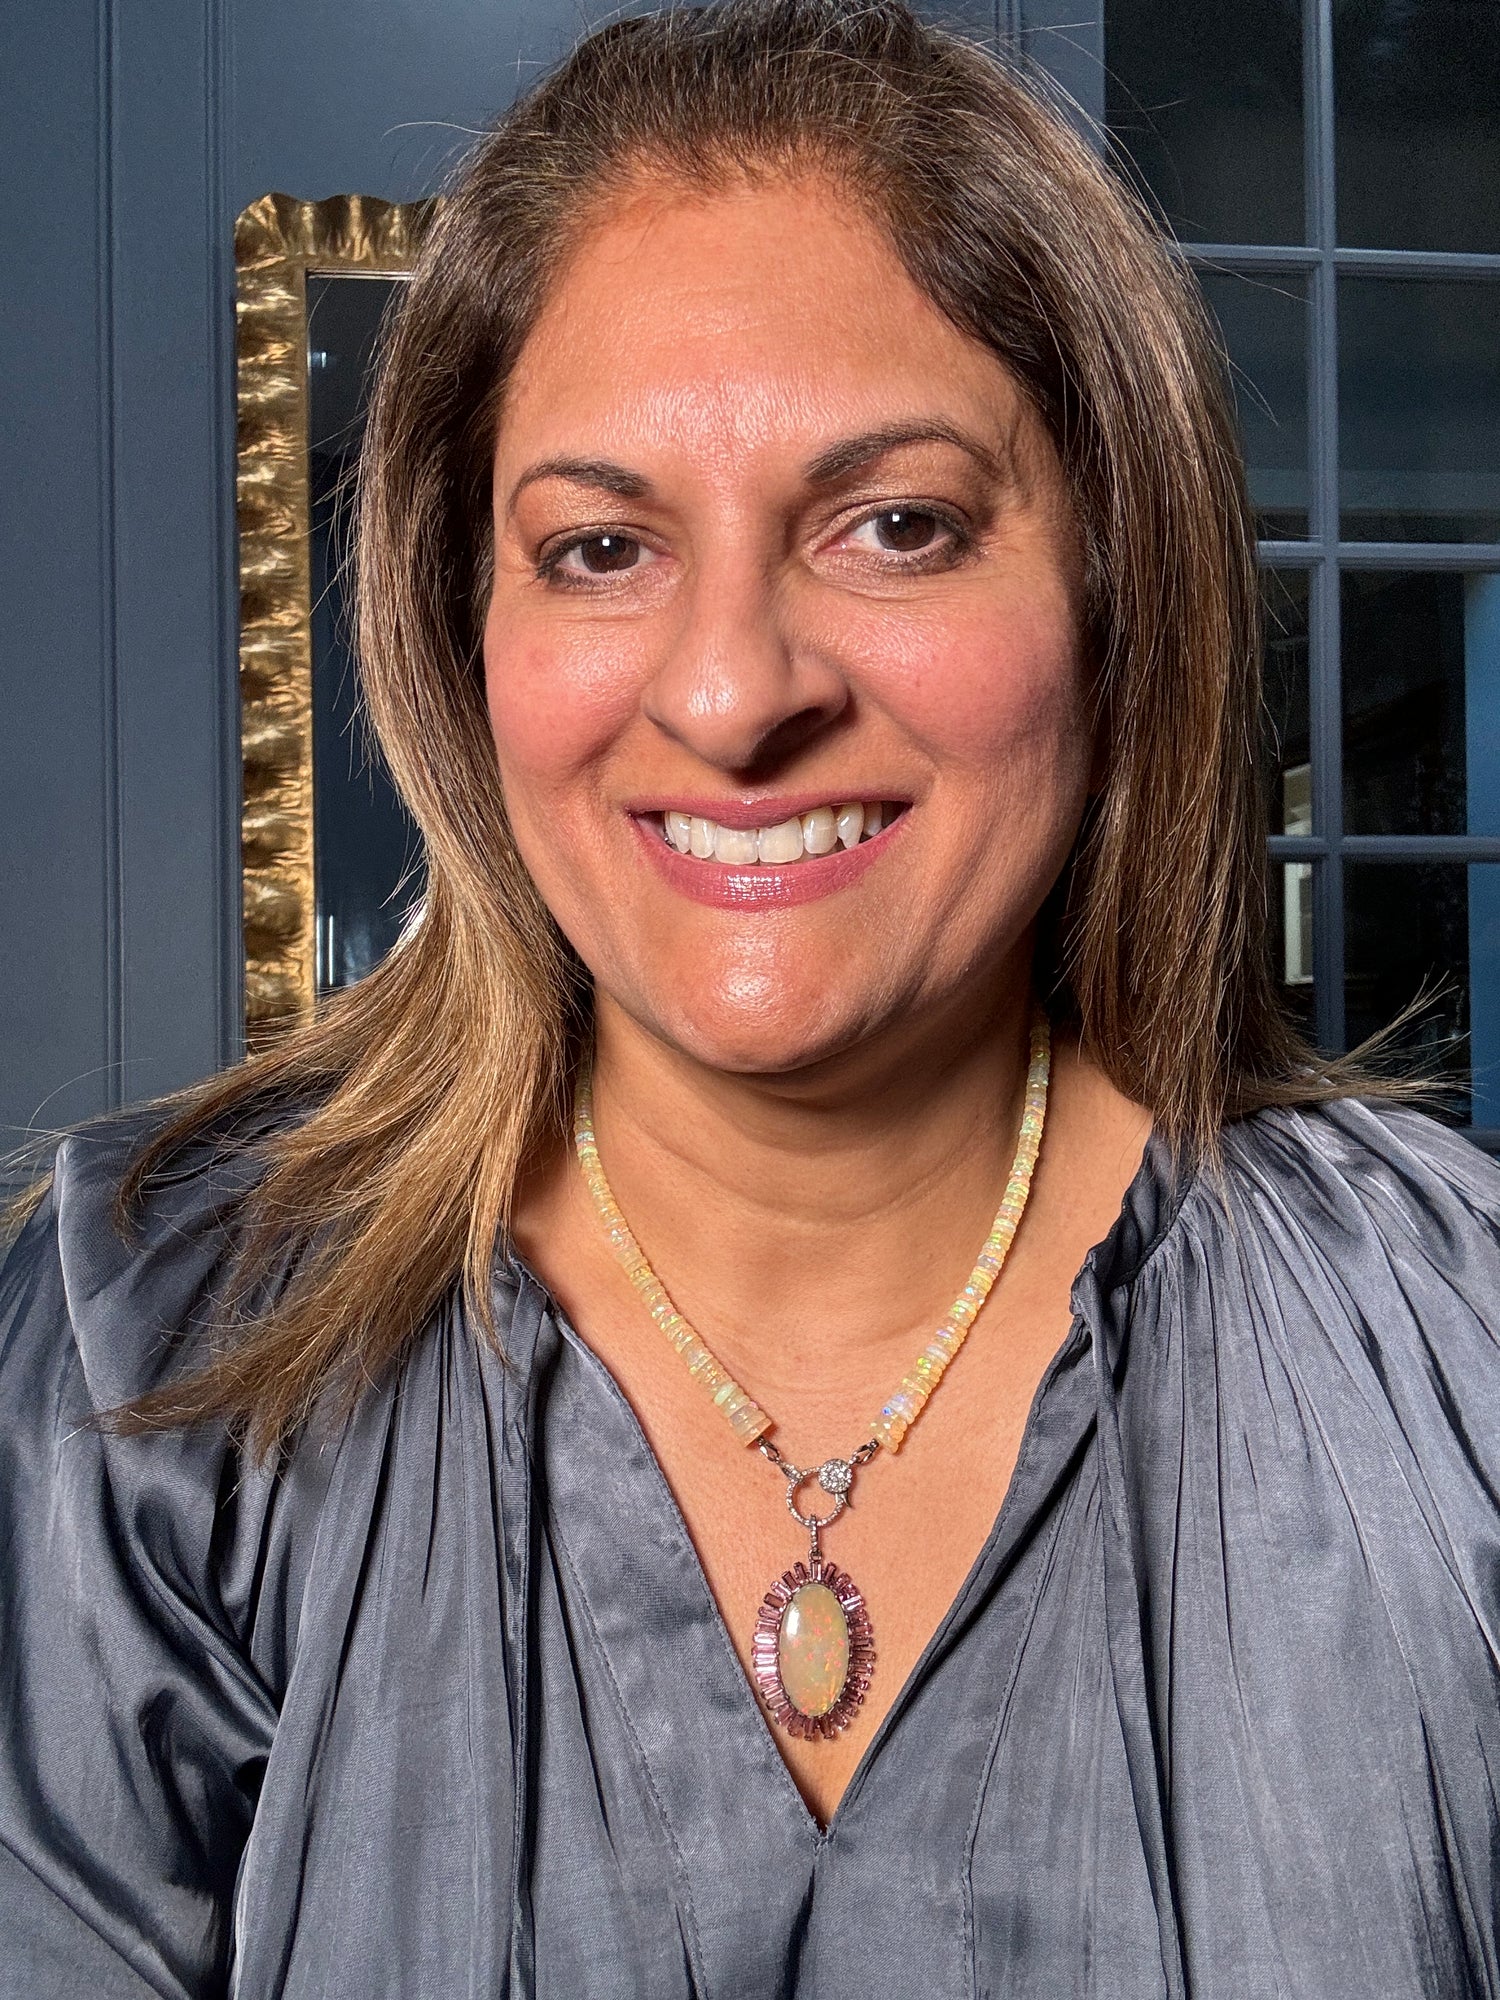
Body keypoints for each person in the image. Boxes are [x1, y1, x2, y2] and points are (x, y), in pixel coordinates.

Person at [5, 0, 1500, 1992]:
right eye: (602, 546)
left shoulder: (1457, 1363)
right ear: (469, 643)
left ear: (1115, 588)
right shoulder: (148, 1371)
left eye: (897, 525)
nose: (728, 692)